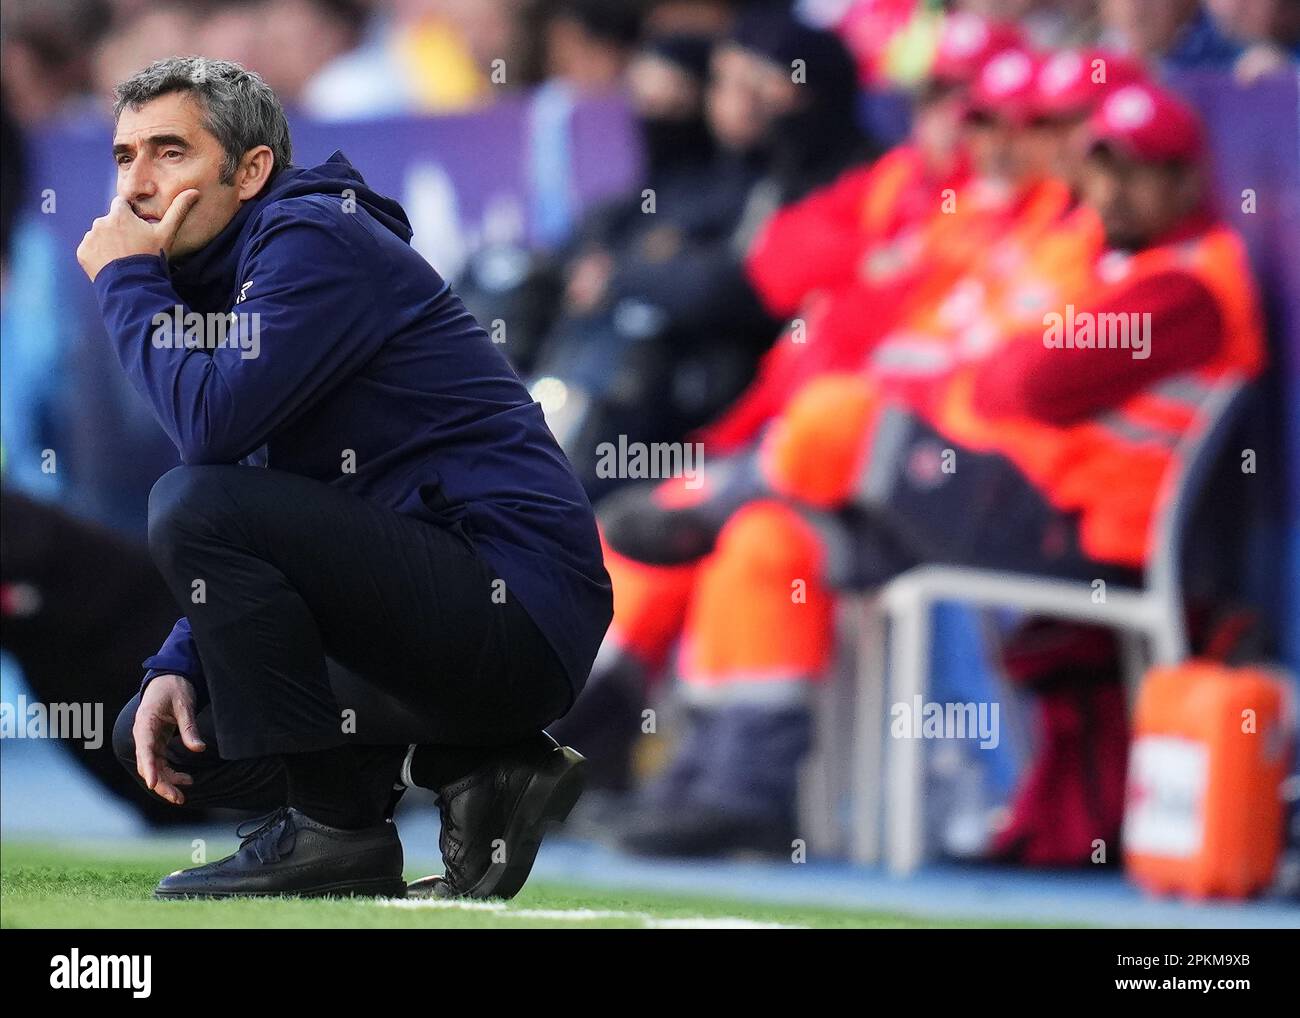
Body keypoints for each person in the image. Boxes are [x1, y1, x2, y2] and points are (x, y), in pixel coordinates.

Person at [80, 57, 612, 899]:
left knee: (187, 500)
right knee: (179, 735)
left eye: (169, 152)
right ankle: (482, 759)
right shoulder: (228, 272)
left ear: (251, 170)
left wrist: (126, 279)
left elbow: (211, 436)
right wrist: (179, 660)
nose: (138, 184)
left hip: (512, 599)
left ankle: (336, 832)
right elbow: (270, 495)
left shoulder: (313, 238)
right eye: (123, 157)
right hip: (422, 606)